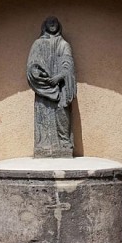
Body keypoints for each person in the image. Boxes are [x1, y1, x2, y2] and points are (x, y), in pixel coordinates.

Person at [26, 16, 77, 158]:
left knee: (62, 110)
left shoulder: (63, 44)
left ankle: (64, 142)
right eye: (50, 22)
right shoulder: (38, 44)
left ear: (59, 25)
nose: (52, 24)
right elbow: (32, 64)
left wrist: (59, 77)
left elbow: (68, 65)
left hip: (60, 87)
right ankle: (43, 146)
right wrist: (40, 75)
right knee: (43, 113)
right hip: (43, 87)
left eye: (55, 22)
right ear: (45, 25)